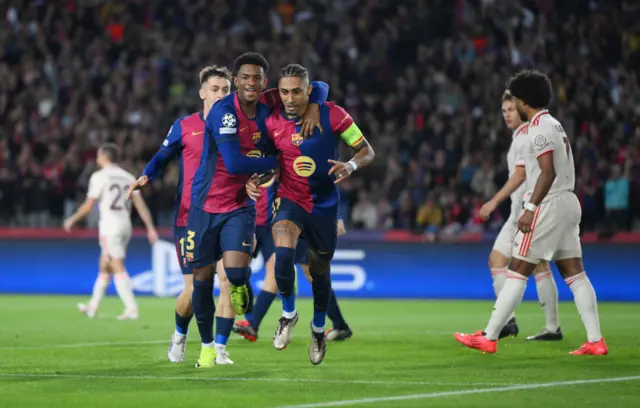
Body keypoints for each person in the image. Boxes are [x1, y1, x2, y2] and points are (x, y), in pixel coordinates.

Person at [187, 53, 328, 368]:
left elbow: (319, 85)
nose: (251, 83)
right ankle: (208, 348)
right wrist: (276, 163)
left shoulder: (271, 101)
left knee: (235, 275)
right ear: (236, 81)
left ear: (265, 82)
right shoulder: (225, 113)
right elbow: (235, 163)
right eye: (245, 78)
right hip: (206, 203)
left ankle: (240, 286)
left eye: (257, 78)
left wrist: (315, 107)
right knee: (202, 279)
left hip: (240, 205)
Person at [454, 70, 607, 355]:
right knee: (575, 274)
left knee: (517, 271)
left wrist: (530, 208)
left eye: (516, 102)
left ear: (524, 101)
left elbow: (545, 173)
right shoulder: (555, 125)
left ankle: (489, 337)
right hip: (568, 202)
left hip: (547, 205)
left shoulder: (538, 130)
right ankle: (596, 341)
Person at [252, 63, 374, 365]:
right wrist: (257, 177)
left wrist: (351, 165)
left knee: (320, 275)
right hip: (289, 199)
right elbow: (269, 163)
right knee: (282, 255)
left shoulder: (333, 114)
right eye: (284, 92)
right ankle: (289, 314)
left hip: (323, 205)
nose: (290, 98)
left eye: (297, 91)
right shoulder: (271, 119)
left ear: (309, 91)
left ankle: (319, 329)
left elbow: (366, 151)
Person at [128, 65, 237, 364]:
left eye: (225, 90)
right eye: (214, 89)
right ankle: (180, 334)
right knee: (193, 288)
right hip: (190, 217)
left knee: (229, 279)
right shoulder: (185, 125)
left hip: (229, 212)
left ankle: (220, 347)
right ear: (202, 93)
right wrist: (147, 175)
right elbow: (163, 155)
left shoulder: (239, 126)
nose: (220, 95)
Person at [479, 91, 562, 341]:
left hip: (526, 213)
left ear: (521, 110)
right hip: (517, 213)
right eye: (504, 111)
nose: (506, 115)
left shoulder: (526, 136)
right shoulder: (522, 135)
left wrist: (494, 201)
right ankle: (510, 321)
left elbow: (521, 175)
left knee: (538, 265)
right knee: (497, 260)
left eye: (511, 110)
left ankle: (549, 327)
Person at [235, 176, 353, 342]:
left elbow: (319, 180)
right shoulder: (255, 155)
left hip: (288, 222)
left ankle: (253, 324)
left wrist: (337, 215)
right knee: (239, 271)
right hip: (259, 222)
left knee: (306, 274)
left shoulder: (285, 156)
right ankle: (340, 325)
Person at [65, 144, 158, 320]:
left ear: (103, 157)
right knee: (105, 265)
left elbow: (88, 205)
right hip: (125, 225)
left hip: (110, 226)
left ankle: (131, 308)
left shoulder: (99, 176)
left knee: (116, 264)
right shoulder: (128, 176)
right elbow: (140, 205)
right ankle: (93, 306)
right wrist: (150, 228)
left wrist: (72, 219)